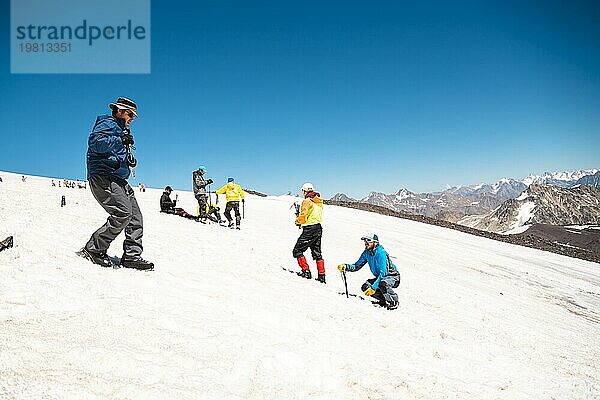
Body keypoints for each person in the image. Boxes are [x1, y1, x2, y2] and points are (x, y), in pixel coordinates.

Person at [81, 97, 153, 270]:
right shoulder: (108, 123)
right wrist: (120, 140)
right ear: (119, 111)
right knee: (123, 213)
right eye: (130, 114)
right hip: (104, 176)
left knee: (135, 217)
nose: (132, 118)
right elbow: (96, 144)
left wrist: (128, 160)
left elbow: (115, 152)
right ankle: (94, 249)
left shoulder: (121, 130)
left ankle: (131, 256)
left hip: (119, 179)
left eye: (133, 115)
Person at [338, 233, 400, 310]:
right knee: (366, 287)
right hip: (381, 277)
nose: (366, 242)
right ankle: (384, 300)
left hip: (393, 277)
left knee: (382, 284)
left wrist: (374, 287)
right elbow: (357, 266)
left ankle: (393, 302)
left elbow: (383, 273)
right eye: (365, 240)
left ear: (375, 243)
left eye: (369, 240)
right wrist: (346, 266)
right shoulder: (366, 253)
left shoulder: (381, 253)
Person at [292, 182, 325, 283]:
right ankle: (322, 276)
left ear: (304, 191)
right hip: (318, 228)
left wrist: (297, 221)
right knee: (317, 253)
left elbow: (303, 215)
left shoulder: (307, 201)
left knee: (297, 251)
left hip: (310, 229)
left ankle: (306, 271)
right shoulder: (319, 201)